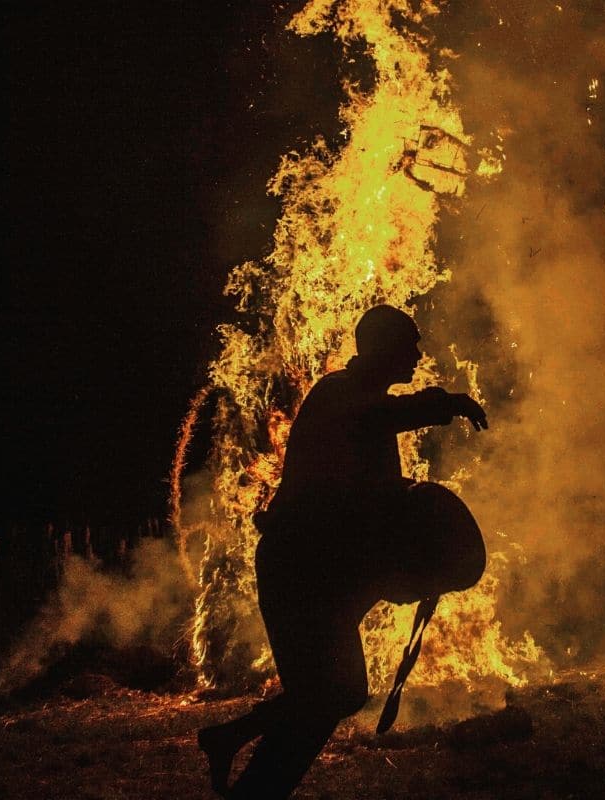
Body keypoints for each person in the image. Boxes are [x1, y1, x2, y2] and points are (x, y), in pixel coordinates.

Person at [198, 304, 488, 798]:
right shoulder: (340, 394)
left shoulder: (361, 402)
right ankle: (237, 752)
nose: (417, 353)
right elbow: (378, 419)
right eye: (410, 343)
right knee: (332, 693)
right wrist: (444, 404)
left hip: (322, 572)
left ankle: (237, 753)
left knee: (333, 695)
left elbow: (374, 503)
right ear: (381, 348)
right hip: (297, 568)